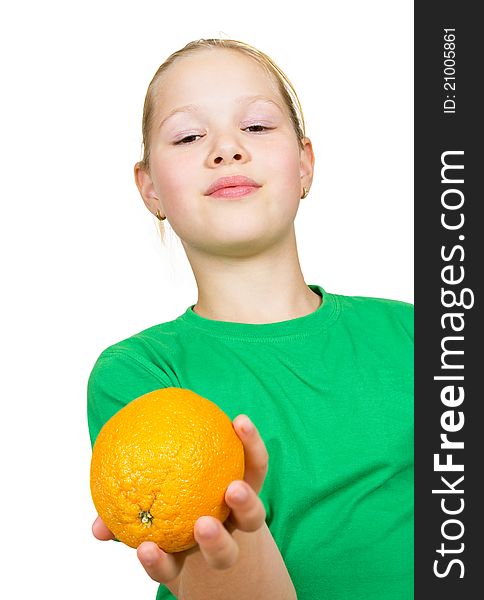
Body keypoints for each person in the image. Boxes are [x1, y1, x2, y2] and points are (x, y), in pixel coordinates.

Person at [87, 38, 414, 600]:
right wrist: (239, 535)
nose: (227, 149)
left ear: (305, 163)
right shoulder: (140, 374)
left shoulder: (417, 336)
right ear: (149, 189)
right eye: (189, 136)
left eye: (257, 127)